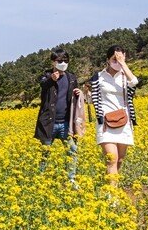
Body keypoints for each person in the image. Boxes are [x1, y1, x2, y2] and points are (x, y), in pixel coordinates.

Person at [35, 49, 83, 185]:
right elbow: (43, 85)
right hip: (49, 123)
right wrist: (51, 79)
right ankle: (40, 179)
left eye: (65, 61)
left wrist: (79, 93)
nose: (63, 63)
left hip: (66, 123)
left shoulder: (71, 78)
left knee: (72, 151)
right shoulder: (46, 76)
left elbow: (73, 96)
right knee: (45, 153)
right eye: (60, 61)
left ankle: (71, 179)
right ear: (53, 62)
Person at [90, 46, 139, 182]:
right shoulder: (98, 77)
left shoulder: (125, 76)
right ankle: (112, 199)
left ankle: (112, 188)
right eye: (114, 59)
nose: (117, 61)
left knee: (120, 160)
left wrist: (123, 64)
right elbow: (93, 98)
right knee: (112, 159)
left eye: (121, 58)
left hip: (124, 121)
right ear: (108, 60)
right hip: (105, 122)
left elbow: (134, 82)